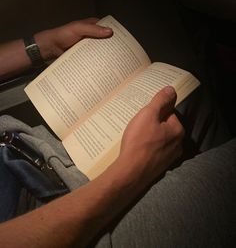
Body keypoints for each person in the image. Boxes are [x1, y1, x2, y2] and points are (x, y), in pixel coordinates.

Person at [0, 17, 235, 248]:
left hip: (26, 147)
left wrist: (43, 44)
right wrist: (133, 171)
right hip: (62, 227)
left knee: (189, 95)